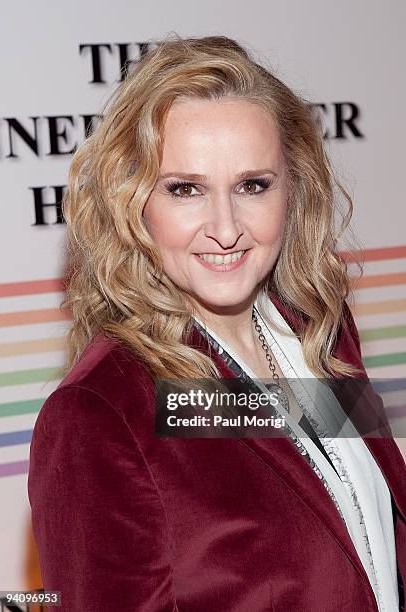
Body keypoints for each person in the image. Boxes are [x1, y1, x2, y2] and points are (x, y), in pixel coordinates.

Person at [27, 34, 406, 611]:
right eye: (186, 189)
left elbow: (362, 530)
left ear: (293, 188)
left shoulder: (315, 330)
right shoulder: (101, 414)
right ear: (133, 202)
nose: (226, 228)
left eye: (253, 185)